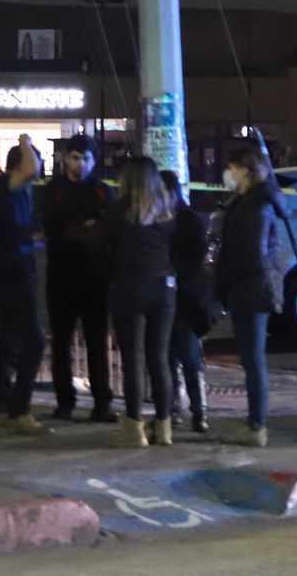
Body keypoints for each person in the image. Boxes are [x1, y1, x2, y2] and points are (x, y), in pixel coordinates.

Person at [100, 156, 179, 448]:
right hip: (164, 287)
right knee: (159, 358)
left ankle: (134, 427)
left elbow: (99, 247)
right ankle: (164, 425)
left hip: (129, 287)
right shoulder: (167, 209)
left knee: (133, 359)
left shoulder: (118, 210)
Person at [215, 146, 289, 446]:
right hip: (248, 287)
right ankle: (254, 424)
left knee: (254, 360)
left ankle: (257, 426)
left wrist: (228, 278)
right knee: (250, 359)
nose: (227, 173)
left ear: (246, 170)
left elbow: (251, 255)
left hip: (252, 288)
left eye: (232, 167)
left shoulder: (257, 206)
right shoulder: (248, 201)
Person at [40, 135, 116, 422]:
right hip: (61, 277)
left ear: (94, 161)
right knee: (61, 343)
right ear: (65, 159)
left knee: (97, 344)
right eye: (74, 157)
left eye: (85, 158)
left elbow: (105, 230)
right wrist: (85, 227)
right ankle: (64, 402)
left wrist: (73, 229)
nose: (79, 164)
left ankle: (102, 403)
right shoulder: (53, 190)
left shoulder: (102, 191)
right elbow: (51, 228)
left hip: (96, 279)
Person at [0, 137, 50, 435]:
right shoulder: (3, 187)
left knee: (10, 339)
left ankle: (1, 405)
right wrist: (27, 140)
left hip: (14, 272)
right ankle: (19, 409)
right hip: (13, 275)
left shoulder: (17, 191)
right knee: (35, 341)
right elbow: (32, 167)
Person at [162, 170, 217, 434]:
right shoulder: (163, 219)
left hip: (186, 297)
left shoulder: (188, 221)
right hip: (169, 295)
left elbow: (194, 261)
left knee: (188, 354)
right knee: (170, 355)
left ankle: (198, 411)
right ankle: (176, 410)